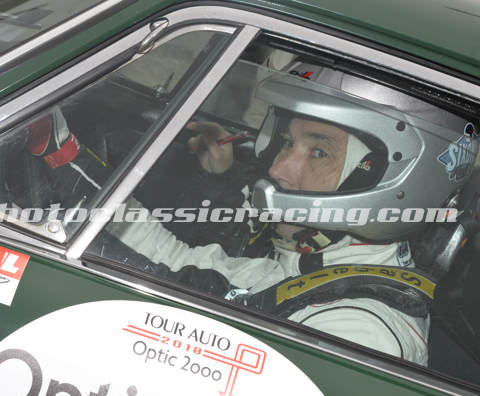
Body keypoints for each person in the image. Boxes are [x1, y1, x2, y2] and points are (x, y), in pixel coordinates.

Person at [101, 63, 479, 366]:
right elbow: (173, 260)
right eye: (286, 143)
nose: (278, 169)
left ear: (392, 181)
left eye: (319, 153)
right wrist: (81, 174)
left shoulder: (355, 332)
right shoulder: (304, 272)